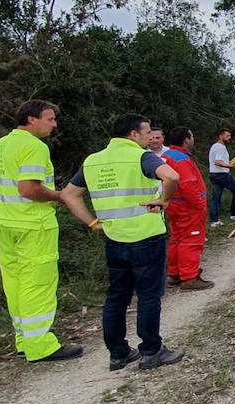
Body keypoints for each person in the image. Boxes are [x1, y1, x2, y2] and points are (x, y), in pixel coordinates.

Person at [60, 114, 184, 372]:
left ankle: (118, 354)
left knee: (116, 297)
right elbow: (171, 177)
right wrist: (164, 199)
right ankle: (151, 351)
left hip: (113, 239)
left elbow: (69, 195)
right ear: (133, 134)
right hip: (146, 237)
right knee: (149, 296)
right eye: (147, 132)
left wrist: (92, 223)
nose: (150, 137)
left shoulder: (93, 161)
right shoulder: (142, 157)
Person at [0, 100, 82, 363]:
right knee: (38, 283)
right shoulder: (34, 147)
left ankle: (24, 338)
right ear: (31, 119)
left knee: (16, 284)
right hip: (33, 225)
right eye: (50, 119)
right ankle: (41, 345)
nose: (54, 124)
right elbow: (28, 189)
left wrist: (8, 193)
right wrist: (59, 196)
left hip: (4, 223)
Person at [162, 125, 213, 291]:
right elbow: (188, 184)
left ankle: (174, 274)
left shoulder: (167, 155)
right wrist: (200, 205)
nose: (193, 139)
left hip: (173, 204)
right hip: (188, 206)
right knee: (191, 240)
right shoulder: (181, 159)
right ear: (186, 140)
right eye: (191, 137)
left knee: (177, 239)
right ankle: (189, 278)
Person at [207, 127, 235, 226]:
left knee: (216, 197)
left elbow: (218, 161)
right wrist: (232, 166)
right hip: (222, 175)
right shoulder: (220, 147)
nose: (229, 138)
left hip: (213, 174)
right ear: (220, 136)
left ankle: (215, 220)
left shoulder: (214, 146)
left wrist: (229, 164)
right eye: (227, 136)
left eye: (230, 136)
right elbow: (218, 162)